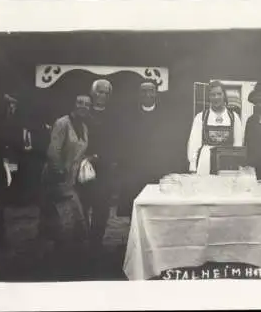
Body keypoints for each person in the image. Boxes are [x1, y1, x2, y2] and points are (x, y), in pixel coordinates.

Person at [39, 94, 91, 252]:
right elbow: (53, 151)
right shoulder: (62, 123)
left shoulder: (84, 127)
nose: (83, 106)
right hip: (57, 179)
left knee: (72, 220)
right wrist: (60, 174)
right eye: (80, 102)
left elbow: (78, 151)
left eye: (87, 104)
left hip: (72, 180)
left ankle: (67, 254)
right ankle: (60, 258)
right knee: (66, 220)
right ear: (73, 104)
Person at [117, 79, 171, 217]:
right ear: (139, 94)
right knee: (134, 209)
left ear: (156, 94)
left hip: (157, 170)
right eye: (144, 91)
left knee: (156, 208)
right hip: (135, 171)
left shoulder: (166, 115)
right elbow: (124, 143)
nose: (147, 94)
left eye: (151, 91)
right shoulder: (128, 115)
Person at [77, 79, 115, 250]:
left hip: (104, 168)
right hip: (83, 167)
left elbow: (118, 141)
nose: (103, 96)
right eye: (99, 92)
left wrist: (101, 156)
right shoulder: (83, 114)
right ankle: (82, 241)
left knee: (101, 208)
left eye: (106, 93)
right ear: (92, 94)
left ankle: (96, 243)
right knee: (82, 205)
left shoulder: (115, 116)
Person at [187, 80, 243, 175]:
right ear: (209, 97)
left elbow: (238, 145)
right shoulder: (201, 117)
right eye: (212, 94)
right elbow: (194, 144)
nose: (216, 97)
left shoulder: (234, 117)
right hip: (205, 162)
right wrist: (193, 166)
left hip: (227, 163)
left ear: (224, 95)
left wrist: (237, 166)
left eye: (219, 94)